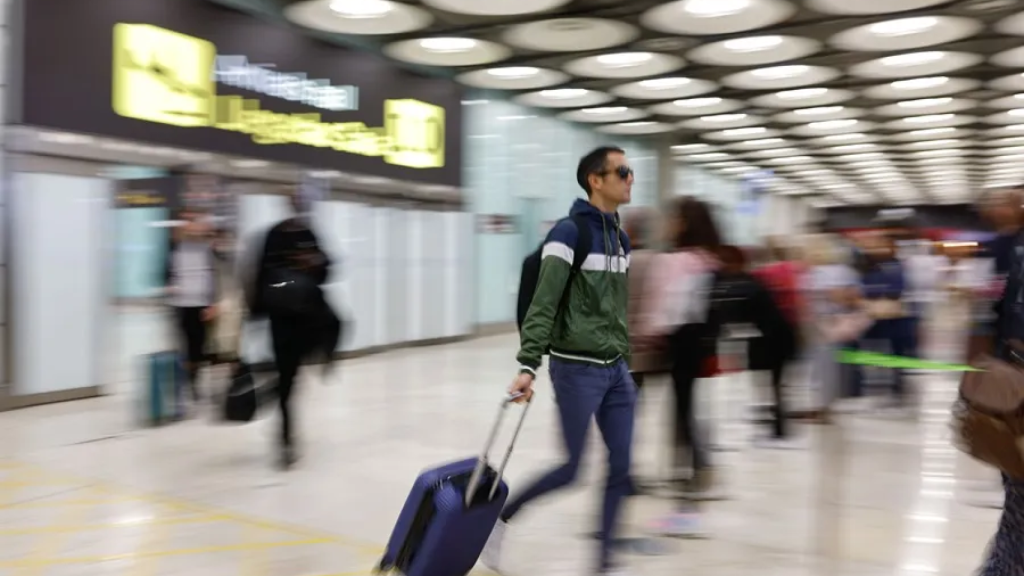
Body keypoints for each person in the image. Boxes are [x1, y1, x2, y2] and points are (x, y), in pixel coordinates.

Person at [484, 146, 635, 576]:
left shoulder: (621, 240)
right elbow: (544, 303)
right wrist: (528, 365)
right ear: (595, 180)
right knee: (572, 468)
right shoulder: (568, 234)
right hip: (577, 369)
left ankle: (603, 563)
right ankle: (502, 518)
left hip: (616, 370)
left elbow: (615, 308)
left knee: (622, 468)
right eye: (622, 171)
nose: (630, 178)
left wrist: (624, 356)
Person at [249, 185, 340, 470]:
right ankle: (286, 441)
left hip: (307, 317)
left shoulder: (308, 233)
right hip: (283, 320)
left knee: (336, 324)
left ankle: (322, 357)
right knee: (288, 381)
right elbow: (261, 275)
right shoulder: (275, 235)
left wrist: (313, 264)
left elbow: (326, 269)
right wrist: (256, 312)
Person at [165, 209, 219, 404]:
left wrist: (212, 302)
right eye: (185, 222)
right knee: (184, 347)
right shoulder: (174, 248)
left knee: (199, 348)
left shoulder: (207, 248)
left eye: (192, 221)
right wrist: (169, 285)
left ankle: (194, 382)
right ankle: (186, 385)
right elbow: (167, 272)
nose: (189, 226)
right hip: (181, 304)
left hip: (201, 304)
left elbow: (214, 276)